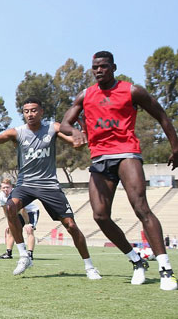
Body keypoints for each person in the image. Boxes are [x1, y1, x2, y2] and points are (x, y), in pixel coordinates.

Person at [60, 51, 178, 291]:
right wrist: (76, 133)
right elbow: (64, 123)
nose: (98, 71)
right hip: (100, 158)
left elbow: (162, 116)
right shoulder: (85, 95)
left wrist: (176, 147)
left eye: (103, 66)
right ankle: (136, 260)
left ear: (113, 67)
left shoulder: (132, 91)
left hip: (126, 153)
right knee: (100, 216)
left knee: (141, 207)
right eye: (95, 67)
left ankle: (166, 269)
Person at [0, 97, 101, 280]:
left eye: (33, 110)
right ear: (23, 114)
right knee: (10, 208)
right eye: (26, 111)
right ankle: (24, 256)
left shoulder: (53, 128)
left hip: (49, 186)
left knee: (70, 225)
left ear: (41, 112)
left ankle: (89, 266)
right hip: (26, 184)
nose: (30, 114)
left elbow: (75, 145)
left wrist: (82, 136)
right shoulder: (17, 132)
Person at [0, 178, 39, 260]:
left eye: (7, 187)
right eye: (4, 187)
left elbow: (22, 209)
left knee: (29, 230)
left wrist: (27, 223)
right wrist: (10, 222)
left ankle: (30, 253)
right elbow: (5, 209)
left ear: (11, 187)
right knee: (11, 230)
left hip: (30, 211)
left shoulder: (15, 194)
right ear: (0, 188)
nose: (6, 189)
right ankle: (8, 253)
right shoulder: (0, 196)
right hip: (18, 212)